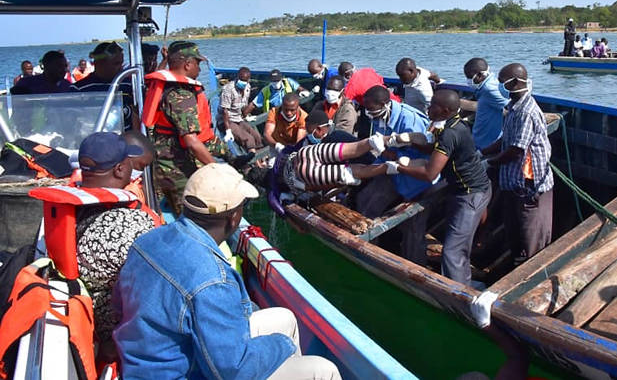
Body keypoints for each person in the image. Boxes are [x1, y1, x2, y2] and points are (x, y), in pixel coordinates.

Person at [113, 163, 341, 379]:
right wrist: (282, 344)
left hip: (144, 364)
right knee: (323, 370)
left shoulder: (147, 241)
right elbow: (232, 371)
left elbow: (119, 304)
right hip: (183, 373)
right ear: (234, 218)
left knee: (285, 318)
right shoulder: (212, 278)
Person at [396, 90, 491, 286]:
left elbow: (430, 174)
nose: (429, 109)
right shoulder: (454, 123)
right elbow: (435, 148)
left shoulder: (450, 133)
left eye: (433, 106)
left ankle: (459, 296)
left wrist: (398, 167)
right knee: (457, 246)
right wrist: (411, 141)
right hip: (473, 187)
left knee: (453, 252)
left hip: (470, 194)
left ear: (445, 110)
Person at [74, 132, 156, 346]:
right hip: (115, 332)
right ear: (120, 169)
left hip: (86, 310)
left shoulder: (73, 205)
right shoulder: (129, 224)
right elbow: (154, 286)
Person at [141, 41, 229, 213]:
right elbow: (192, 142)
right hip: (175, 170)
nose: (200, 69)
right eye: (197, 63)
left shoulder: (162, 86)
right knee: (192, 216)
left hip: (158, 163)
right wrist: (217, 169)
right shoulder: (181, 95)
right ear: (187, 64)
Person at [482, 63, 553, 266]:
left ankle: (531, 272)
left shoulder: (526, 113)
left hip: (530, 186)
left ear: (514, 83)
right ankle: (515, 262)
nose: (499, 86)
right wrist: (483, 152)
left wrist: (490, 163)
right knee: (515, 230)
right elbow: (506, 140)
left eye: (502, 83)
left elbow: (516, 150)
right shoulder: (514, 108)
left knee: (531, 235)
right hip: (513, 184)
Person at [356, 85, 432, 265]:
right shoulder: (379, 115)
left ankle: (414, 267)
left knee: (413, 227)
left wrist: (386, 151)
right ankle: (369, 252)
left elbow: (420, 155)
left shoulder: (410, 120)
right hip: (391, 170)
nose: (369, 113)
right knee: (364, 201)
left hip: (415, 176)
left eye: (371, 109)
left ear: (384, 104)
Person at [72, 41, 138, 131]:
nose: (121, 68)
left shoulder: (129, 85)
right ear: (99, 63)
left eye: (121, 63)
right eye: (116, 64)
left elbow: (136, 115)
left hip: (125, 139)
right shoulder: (78, 89)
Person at [464, 57, 508, 150]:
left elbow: (511, 106)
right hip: (481, 139)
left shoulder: (489, 89)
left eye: (469, 77)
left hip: (488, 143)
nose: (468, 80)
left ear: (480, 75)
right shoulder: (484, 86)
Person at [220, 67, 263, 152]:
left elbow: (244, 105)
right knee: (248, 139)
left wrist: (246, 116)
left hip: (239, 118)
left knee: (256, 136)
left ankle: (263, 160)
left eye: (245, 80)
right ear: (237, 77)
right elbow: (225, 111)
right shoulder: (228, 89)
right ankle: (255, 162)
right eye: (241, 79)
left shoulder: (248, 87)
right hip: (228, 120)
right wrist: (228, 130)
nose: (242, 82)